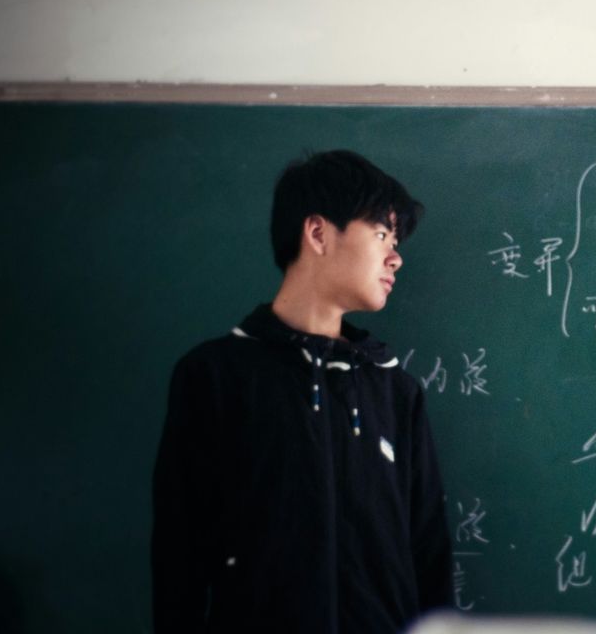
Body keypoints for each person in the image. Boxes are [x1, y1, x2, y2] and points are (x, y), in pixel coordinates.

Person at [152, 150, 452, 633]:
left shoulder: (395, 390)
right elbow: (179, 557)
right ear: (317, 233)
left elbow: (430, 557)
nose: (396, 256)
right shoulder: (214, 377)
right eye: (381, 234)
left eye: (396, 241)